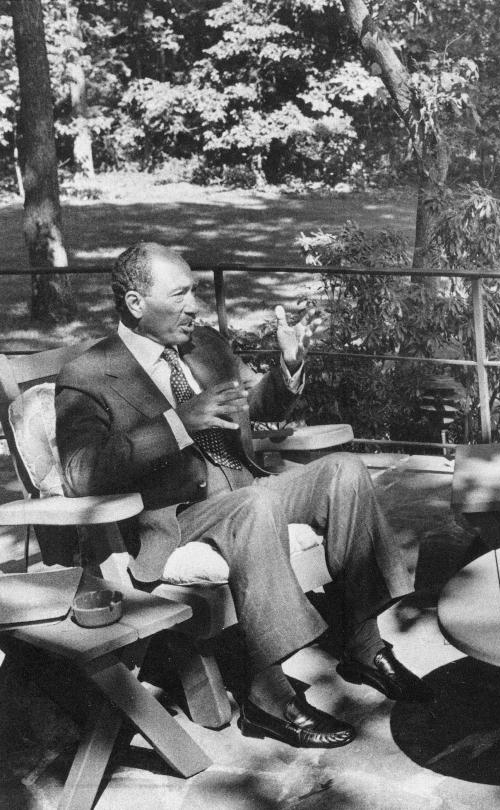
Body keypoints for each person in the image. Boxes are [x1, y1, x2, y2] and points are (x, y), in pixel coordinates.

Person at [56, 242, 428, 749]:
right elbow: (80, 474)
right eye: (181, 294)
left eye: (194, 292)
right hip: (173, 517)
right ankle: (268, 697)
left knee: (343, 469)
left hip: (247, 485)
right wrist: (176, 424)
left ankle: (363, 644)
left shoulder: (202, 344)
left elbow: (252, 405)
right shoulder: (89, 374)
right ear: (136, 304)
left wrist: (288, 369)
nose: (195, 306)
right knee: (257, 505)